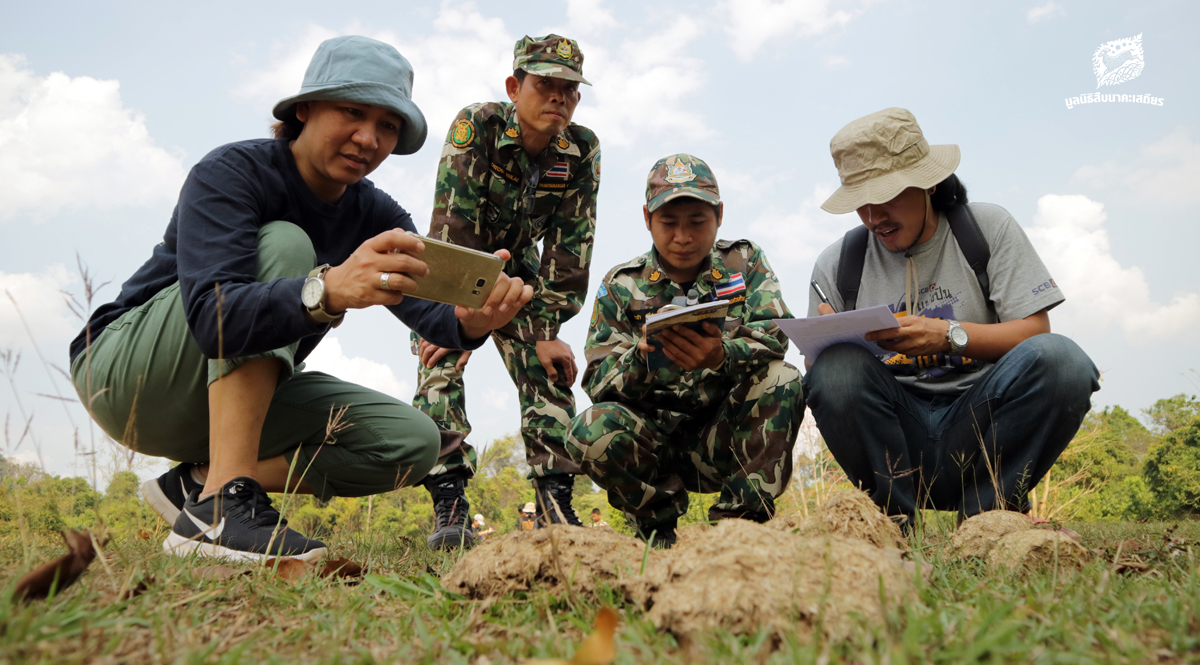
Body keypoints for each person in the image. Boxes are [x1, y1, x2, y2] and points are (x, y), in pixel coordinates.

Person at [67, 36, 532, 562]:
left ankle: (198, 487)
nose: (368, 138)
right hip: (125, 375)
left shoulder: (378, 216)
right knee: (288, 242)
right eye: (353, 112)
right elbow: (213, 320)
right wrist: (325, 289)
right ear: (304, 109)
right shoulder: (232, 173)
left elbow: (431, 316)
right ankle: (226, 503)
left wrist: (473, 322)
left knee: (414, 444)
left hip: (217, 404)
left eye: (387, 125)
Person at [803, 107, 1100, 529]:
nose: (873, 218)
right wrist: (828, 344)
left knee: (1062, 360)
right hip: (892, 437)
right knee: (834, 371)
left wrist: (949, 335)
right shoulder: (837, 264)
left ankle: (990, 519)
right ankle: (891, 526)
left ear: (928, 181)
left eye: (886, 196)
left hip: (982, 427)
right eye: (860, 203)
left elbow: (1037, 332)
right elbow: (822, 383)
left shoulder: (987, 228)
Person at [411, 34, 602, 549]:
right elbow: (453, 223)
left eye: (569, 88)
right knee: (438, 361)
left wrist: (543, 331)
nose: (557, 97)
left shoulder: (582, 150)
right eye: (544, 85)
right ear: (515, 88)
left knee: (548, 366)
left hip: (516, 272)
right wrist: (455, 321)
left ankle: (554, 506)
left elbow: (569, 250)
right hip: (454, 262)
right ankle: (449, 505)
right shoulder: (478, 125)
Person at [565, 154, 805, 548]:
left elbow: (776, 335)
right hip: (652, 443)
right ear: (647, 219)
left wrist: (722, 355)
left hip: (724, 434)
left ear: (719, 215)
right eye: (669, 223)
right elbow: (597, 380)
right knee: (590, 428)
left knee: (784, 378)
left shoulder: (742, 263)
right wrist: (640, 361)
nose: (683, 237)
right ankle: (658, 530)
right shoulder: (620, 285)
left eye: (697, 222)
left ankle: (738, 530)